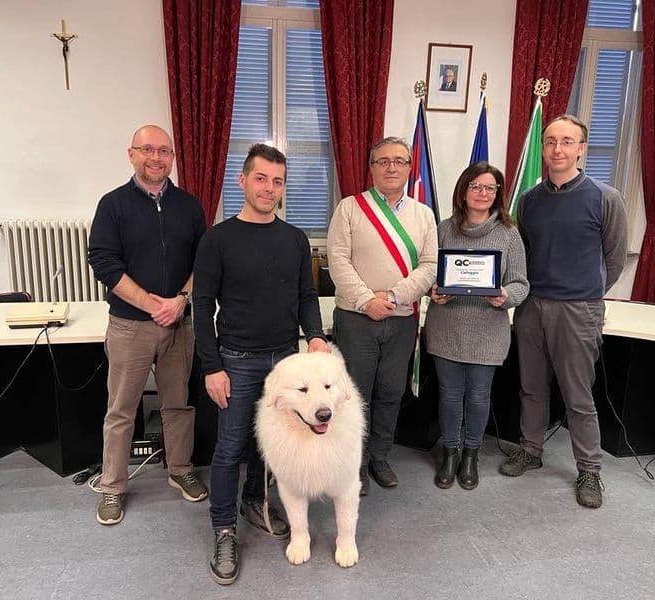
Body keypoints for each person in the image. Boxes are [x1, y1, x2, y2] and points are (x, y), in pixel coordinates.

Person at [193, 143, 329, 585]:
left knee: (269, 444)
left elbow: (306, 296)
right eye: (261, 178)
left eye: (277, 181)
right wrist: (212, 367)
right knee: (231, 446)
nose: (269, 188)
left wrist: (315, 336)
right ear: (243, 181)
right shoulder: (217, 239)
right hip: (236, 360)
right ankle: (223, 530)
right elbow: (201, 306)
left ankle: (255, 500)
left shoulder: (295, 239)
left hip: (286, 361)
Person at [498, 114, 628, 509]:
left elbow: (614, 259)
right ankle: (531, 449)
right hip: (532, 307)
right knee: (531, 387)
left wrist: (586, 295)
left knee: (578, 395)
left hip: (578, 310)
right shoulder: (529, 200)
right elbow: (524, 254)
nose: (557, 149)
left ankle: (589, 469)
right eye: (551, 141)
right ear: (544, 148)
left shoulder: (605, 198)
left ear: (581, 149)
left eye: (567, 142)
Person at [88, 124, 208, 526]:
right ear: (132, 155)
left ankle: (180, 469)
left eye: (164, 151)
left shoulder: (189, 206)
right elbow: (104, 262)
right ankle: (112, 486)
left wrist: (181, 300)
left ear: (172, 157)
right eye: (147, 150)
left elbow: (203, 260)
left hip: (179, 325)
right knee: (121, 410)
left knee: (178, 404)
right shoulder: (112, 205)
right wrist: (151, 304)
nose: (156, 158)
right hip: (130, 326)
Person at [327, 136, 438, 495]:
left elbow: (430, 265)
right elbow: (338, 261)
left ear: (409, 168)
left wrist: (391, 297)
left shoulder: (423, 214)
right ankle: (353, 464)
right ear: (371, 167)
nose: (392, 167)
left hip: (402, 318)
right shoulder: (349, 208)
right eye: (383, 161)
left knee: (390, 392)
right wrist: (365, 300)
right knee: (354, 393)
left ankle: (379, 456)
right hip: (356, 319)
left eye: (399, 161)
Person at [423, 161, 529, 491]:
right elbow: (427, 273)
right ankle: (450, 453)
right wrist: (432, 291)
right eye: (475, 186)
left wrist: (505, 295)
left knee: (479, 397)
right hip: (446, 328)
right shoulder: (443, 229)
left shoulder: (509, 234)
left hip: (488, 332)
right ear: (463, 190)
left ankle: (471, 455)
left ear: (498, 194)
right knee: (449, 396)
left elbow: (521, 284)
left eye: (489, 188)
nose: (482, 193)